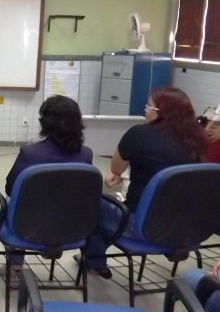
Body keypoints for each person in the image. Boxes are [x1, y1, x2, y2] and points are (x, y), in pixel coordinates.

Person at [87, 87, 208, 277]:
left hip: (142, 225)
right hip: (188, 229)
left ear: (162, 112)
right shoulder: (198, 140)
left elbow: (116, 167)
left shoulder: (139, 134)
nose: (145, 109)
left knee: (94, 205)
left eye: (149, 106)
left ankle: (94, 261)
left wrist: (117, 174)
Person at [0, 95, 94, 284]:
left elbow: (11, 187)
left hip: (29, 226)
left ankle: (15, 264)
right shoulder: (86, 154)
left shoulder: (31, 153)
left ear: (45, 122)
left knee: (13, 203)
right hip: (72, 226)